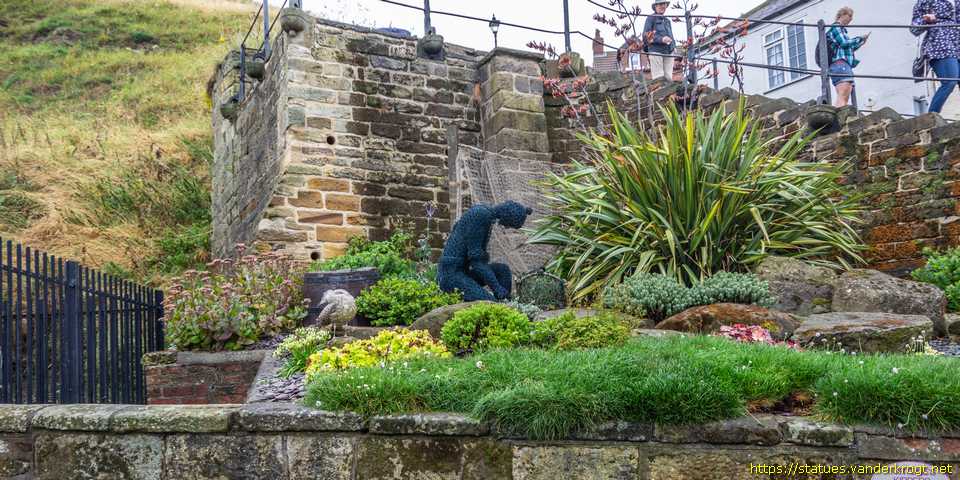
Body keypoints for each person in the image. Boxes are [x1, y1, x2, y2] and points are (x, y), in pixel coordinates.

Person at [911, 0, 960, 114]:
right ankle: (930, 117)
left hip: (957, 43)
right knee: (949, 81)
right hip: (940, 45)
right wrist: (926, 20)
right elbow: (914, 28)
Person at [827, 7, 870, 108]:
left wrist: (860, 43)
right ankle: (839, 114)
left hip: (841, 64)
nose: (851, 19)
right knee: (844, 89)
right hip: (839, 63)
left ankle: (841, 112)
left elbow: (847, 48)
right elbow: (844, 43)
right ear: (842, 15)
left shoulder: (842, 31)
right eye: (849, 16)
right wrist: (859, 38)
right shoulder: (836, 27)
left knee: (846, 91)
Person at [644, 1, 676, 80]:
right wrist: (661, 39)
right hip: (656, 52)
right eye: (660, 4)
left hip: (669, 52)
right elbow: (646, 36)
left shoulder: (667, 21)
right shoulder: (650, 18)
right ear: (655, 6)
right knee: (658, 78)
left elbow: (671, 35)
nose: (663, 6)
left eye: (664, 4)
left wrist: (674, 47)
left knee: (668, 78)